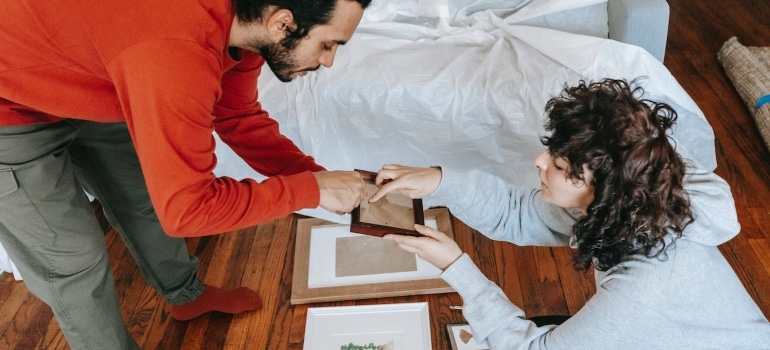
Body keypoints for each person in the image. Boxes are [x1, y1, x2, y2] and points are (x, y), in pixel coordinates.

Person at [0, 0, 371, 348]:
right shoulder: (174, 53)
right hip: (8, 102)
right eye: (327, 44)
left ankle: (185, 294)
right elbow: (188, 210)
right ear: (283, 23)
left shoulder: (247, 31)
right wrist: (308, 189)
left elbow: (238, 118)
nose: (329, 61)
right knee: (74, 261)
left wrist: (323, 182)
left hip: (83, 69)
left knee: (142, 197)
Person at [371, 78, 770, 349]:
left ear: (599, 186)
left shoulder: (642, 288)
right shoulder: (631, 203)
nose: (538, 160)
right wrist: (439, 181)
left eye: (559, 165)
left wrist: (458, 267)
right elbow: (518, 213)